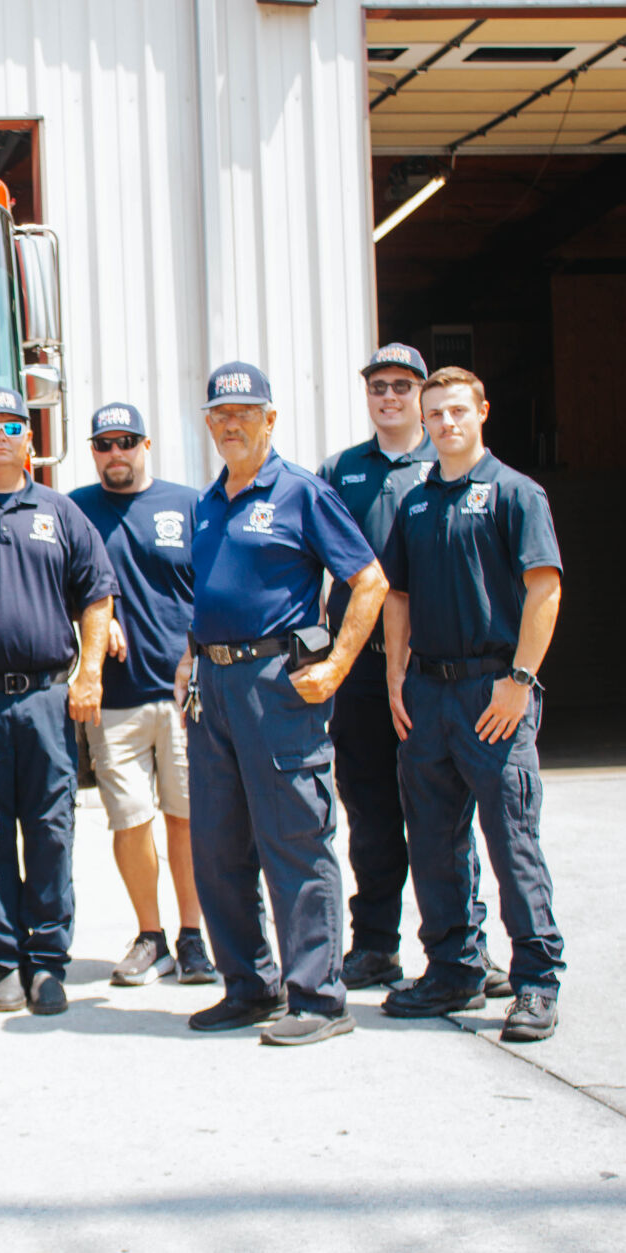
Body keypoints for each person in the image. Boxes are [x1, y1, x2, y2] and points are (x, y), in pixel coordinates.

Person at [172, 361, 386, 1047]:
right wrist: (190, 664)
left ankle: (319, 998)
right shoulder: (206, 502)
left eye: (246, 412)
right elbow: (205, 596)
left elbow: (370, 580)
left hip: (277, 687)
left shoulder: (302, 493)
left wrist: (338, 665)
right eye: (220, 414)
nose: (232, 423)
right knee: (217, 844)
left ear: (270, 419)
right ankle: (249, 985)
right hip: (214, 690)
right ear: (209, 424)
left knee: (294, 837)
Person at [319, 346, 511, 1001]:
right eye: (380, 386)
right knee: (369, 811)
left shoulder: (447, 464)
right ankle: (374, 943)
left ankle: (465, 949)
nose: (391, 397)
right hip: (362, 674)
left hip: (433, 673)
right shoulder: (340, 470)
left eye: (404, 386)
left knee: (445, 816)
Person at [379, 367, 564, 1042]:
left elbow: (543, 589)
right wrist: (398, 676)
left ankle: (537, 979)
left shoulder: (516, 493)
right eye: (436, 413)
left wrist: (519, 679)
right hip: (428, 693)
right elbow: (397, 596)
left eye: (458, 409)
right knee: (432, 840)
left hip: (494, 692)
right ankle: (454, 967)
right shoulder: (416, 502)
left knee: (511, 839)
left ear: (482, 411)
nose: (446, 422)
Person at [0, 388, 117, 1017]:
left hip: (46, 701)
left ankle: (48, 962)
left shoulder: (60, 511)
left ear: (30, 441)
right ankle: (2, 959)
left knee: (51, 830)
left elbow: (96, 595)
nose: (2, 435)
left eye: (14, 424)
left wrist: (88, 673)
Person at [69, 403, 213, 987]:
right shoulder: (75, 509)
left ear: (145, 445)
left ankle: (194, 937)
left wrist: (199, 651)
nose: (115, 453)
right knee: (129, 821)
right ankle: (150, 936)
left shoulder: (190, 504)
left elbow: (216, 584)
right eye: (104, 444)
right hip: (115, 697)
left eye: (126, 441)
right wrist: (97, 626)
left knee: (186, 819)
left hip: (184, 694)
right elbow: (58, 584)